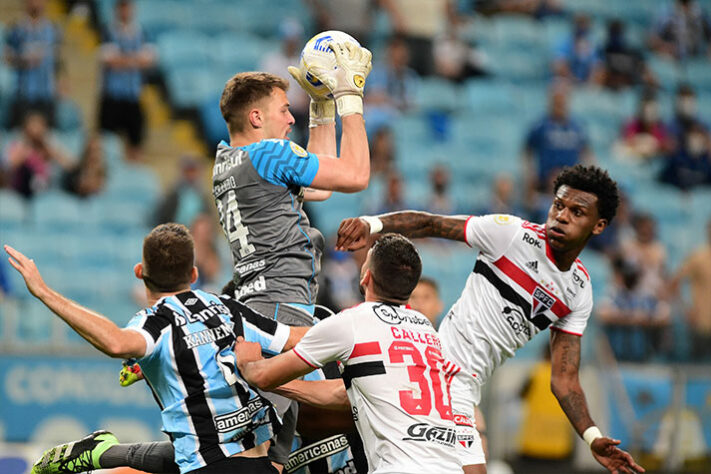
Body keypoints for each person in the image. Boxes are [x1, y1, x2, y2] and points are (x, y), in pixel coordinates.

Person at [336, 165, 645, 474]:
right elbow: (431, 223)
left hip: (464, 386)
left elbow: (564, 380)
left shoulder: (578, 290)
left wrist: (592, 437)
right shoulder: (511, 235)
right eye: (558, 205)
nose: (562, 216)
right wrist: (371, 223)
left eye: (577, 212)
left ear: (599, 225)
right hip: (443, 374)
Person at [8, 223, 308, 474]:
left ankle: (105, 453)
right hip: (254, 459)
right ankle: (106, 453)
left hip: (210, 463)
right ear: (193, 273)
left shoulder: (155, 324)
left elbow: (115, 341)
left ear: (139, 271)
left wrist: (44, 293)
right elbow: (298, 339)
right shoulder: (228, 308)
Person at [212, 41, 372, 470]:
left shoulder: (229, 161)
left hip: (261, 304)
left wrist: (320, 107)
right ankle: (116, 457)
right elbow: (355, 175)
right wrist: (348, 98)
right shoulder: (268, 153)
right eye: (284, 109)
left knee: (261, 453)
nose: (291, 117)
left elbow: (319, 183)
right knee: (258, 458)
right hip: (283, 309)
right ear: (256, 117)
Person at [233, 233, 466, 473]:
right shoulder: (427, 330)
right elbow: (344, 393)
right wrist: (286, 387)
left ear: (366, 277)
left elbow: (264, 377)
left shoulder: (353, 322)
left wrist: (249, 363)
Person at [98, 0, 156, 162]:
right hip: (112, 97)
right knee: (105, 143)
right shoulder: (108, 30)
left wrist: (123, 60)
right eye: (121, 7)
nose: (125, 11)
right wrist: (134, 60)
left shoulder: (142, 31)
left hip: (133, 97)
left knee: (136, 142)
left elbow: (149, 59)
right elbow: (109, 60)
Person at [522, 82, 593, 206]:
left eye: (562, 101)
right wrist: (530, 175)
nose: (559, 105)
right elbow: (527, 151)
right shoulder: (540, 126)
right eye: (556, 101)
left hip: (571, 184)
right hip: (545, 184)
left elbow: (586, 152)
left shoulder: (577, 127)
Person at [4, 0, 62, 127]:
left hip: (46, 94)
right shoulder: (16, 29)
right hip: (23, 94)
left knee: (47, 137)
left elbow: (58, 60)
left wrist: (61, 82)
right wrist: (23, 59)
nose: (36, 3)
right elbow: (7, 57)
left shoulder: (53, 29)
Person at [2, 111, 73, 198]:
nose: (36, 128)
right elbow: (6, 167)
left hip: (48, 193)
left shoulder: (51, 144)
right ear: (25, 127)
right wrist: (23, 153)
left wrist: (52, 152)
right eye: (33, 124)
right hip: (18, 193)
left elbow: (71, 166)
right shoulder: (17, 143)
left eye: (39, 124)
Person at [670, 219, 711, 361]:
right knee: (698, 372)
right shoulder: (698, 257)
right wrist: (685, 309)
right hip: (702, 325)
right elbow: (674, 282)